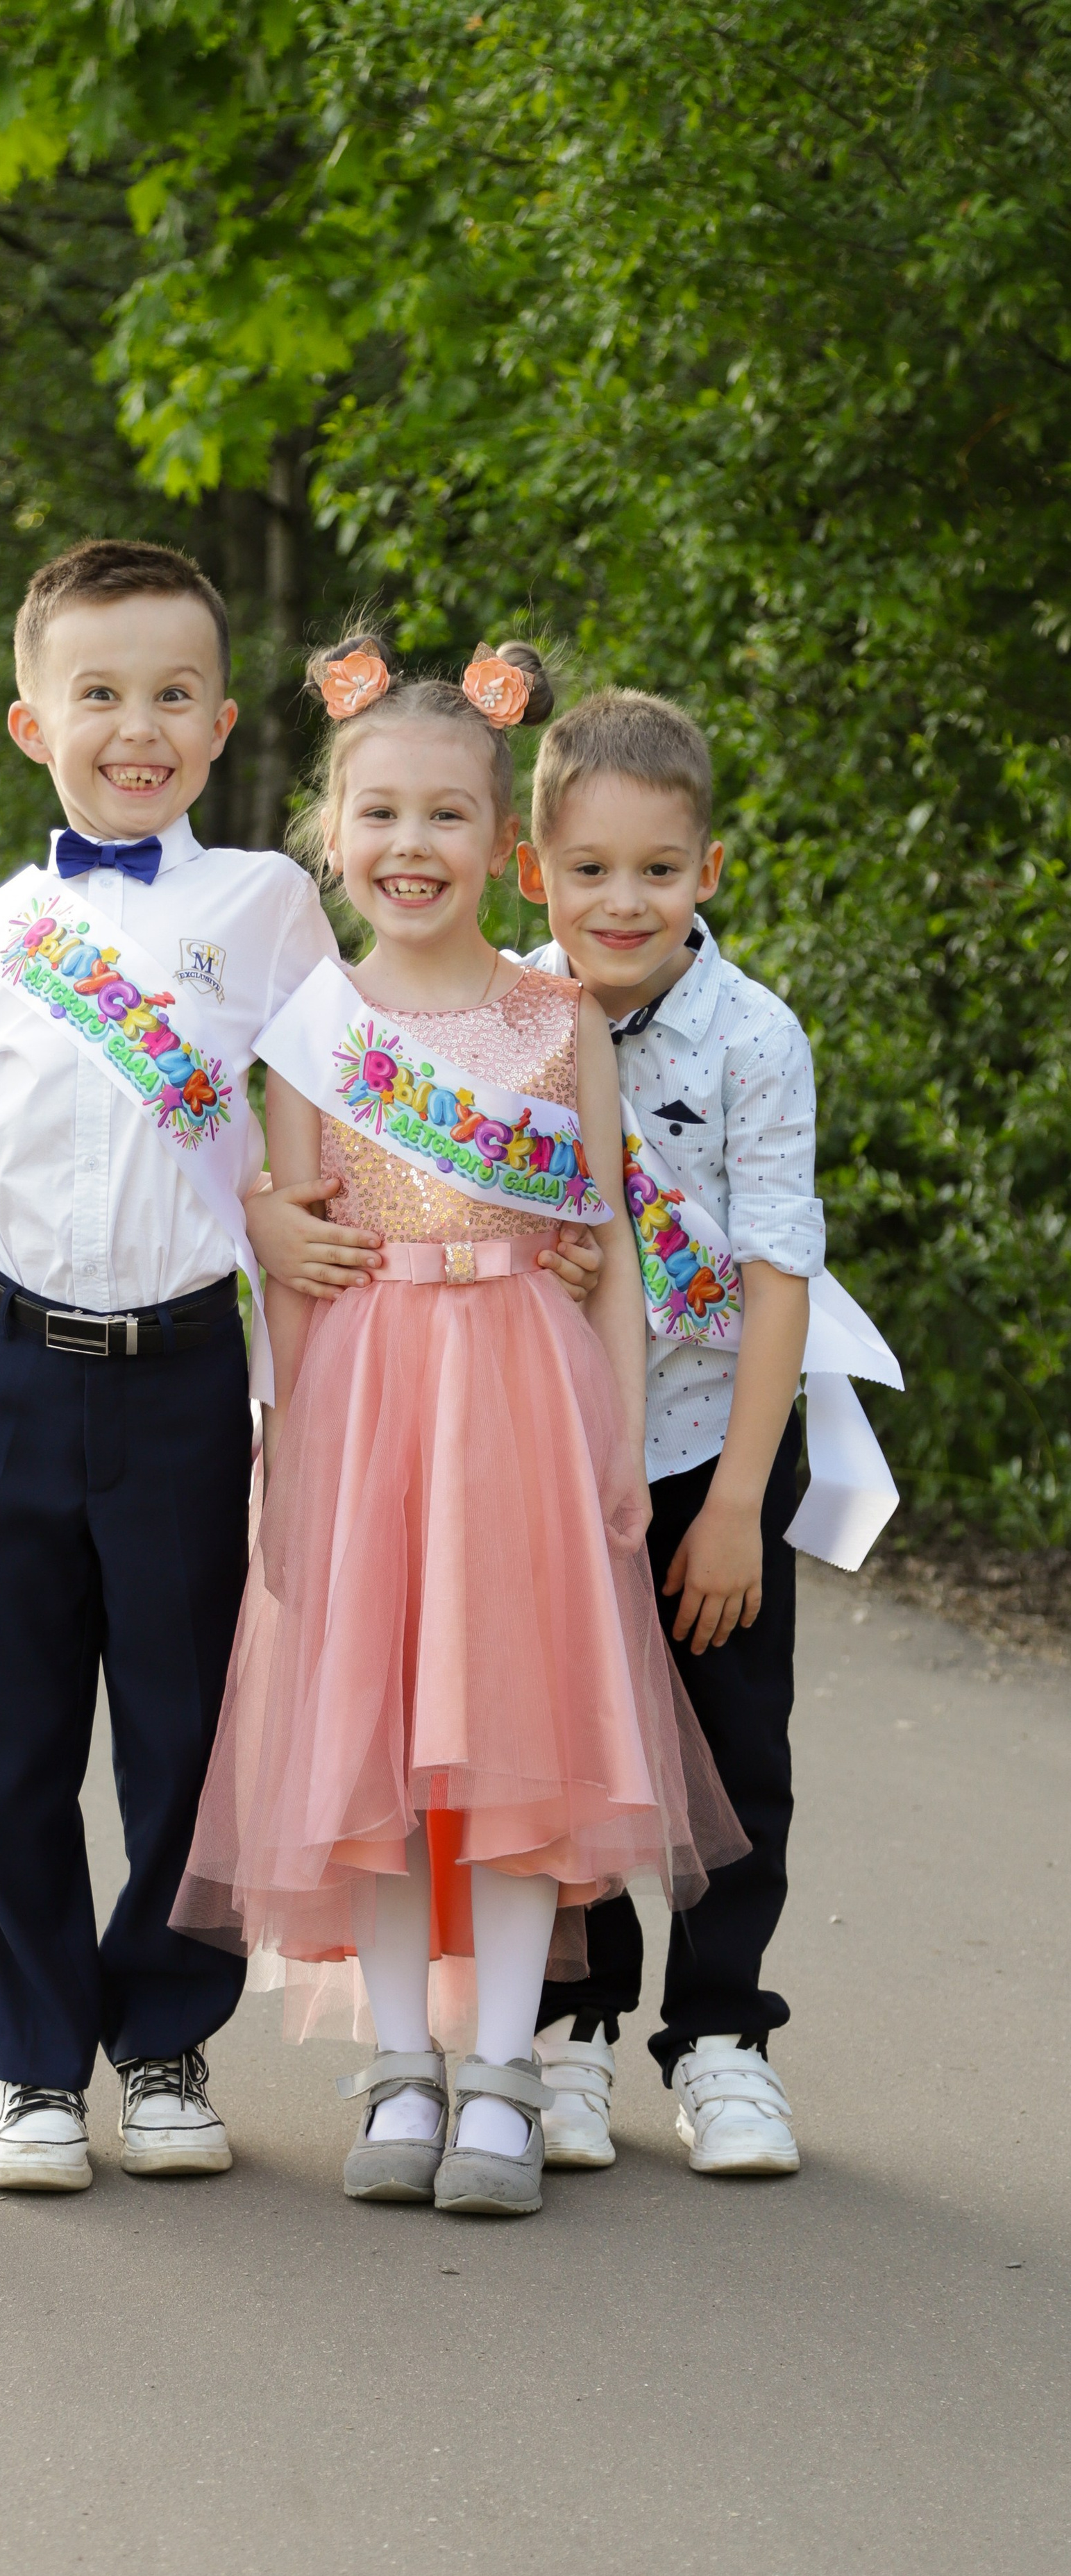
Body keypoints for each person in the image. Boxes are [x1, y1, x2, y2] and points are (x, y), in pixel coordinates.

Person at [172, 634, 747, 2217]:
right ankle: (395, 2065)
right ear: (330, 832)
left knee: (508, 1744)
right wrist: (281, 1455)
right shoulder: (308, 1027)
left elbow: (611, 1241)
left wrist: (621, 1442)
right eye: (377, 814)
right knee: (370, 1746)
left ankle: (499, 2063)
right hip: (362, 1410)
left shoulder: (556, 1018)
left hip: (518, 1405)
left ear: (500, 846)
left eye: (442, 817)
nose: (406, 847)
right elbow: (288, 1258)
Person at [0, 537, 341, 2193]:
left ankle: (160, 2036)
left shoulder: (266, 910)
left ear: (220, 727)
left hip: (180, 1383)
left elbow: (340, 1127)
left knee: (178, 1729)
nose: (133, 726)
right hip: (9, 1371)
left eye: (169, 695)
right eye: (98, 694)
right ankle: (30, 2065)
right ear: (32, 723)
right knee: (7, 1736)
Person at [516, 689, 824, 2177]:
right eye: (588, 869)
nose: (619, 900)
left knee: (730, 1750)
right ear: (535, 874)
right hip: (539, 1446)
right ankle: (572, 2023)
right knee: (563, 1747)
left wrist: (735, 1504)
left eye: (655, 867)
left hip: (711, 1443)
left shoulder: (754, 1038)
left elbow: (776, 1277)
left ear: (707, 868)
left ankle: (716, 2038)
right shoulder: (497, 1014)